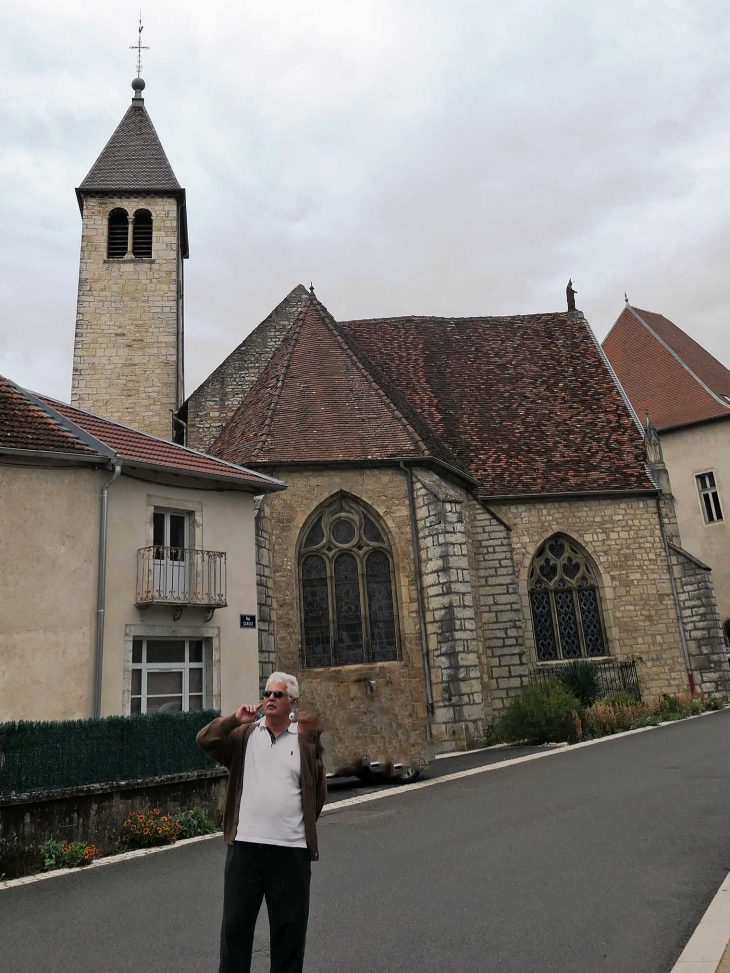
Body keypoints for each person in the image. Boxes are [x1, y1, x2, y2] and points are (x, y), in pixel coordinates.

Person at [197, 671, 326, 973]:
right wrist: (233, 720)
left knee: (289, 937)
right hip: (245, 851)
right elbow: (206, 740)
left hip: (291, 853)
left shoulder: (305, 743)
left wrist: (295, 826)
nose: (269, 698)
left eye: (277, 694)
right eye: (266, 693)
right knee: (235, 933)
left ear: (291, 701)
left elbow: (317, 793)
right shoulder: (245, 736)